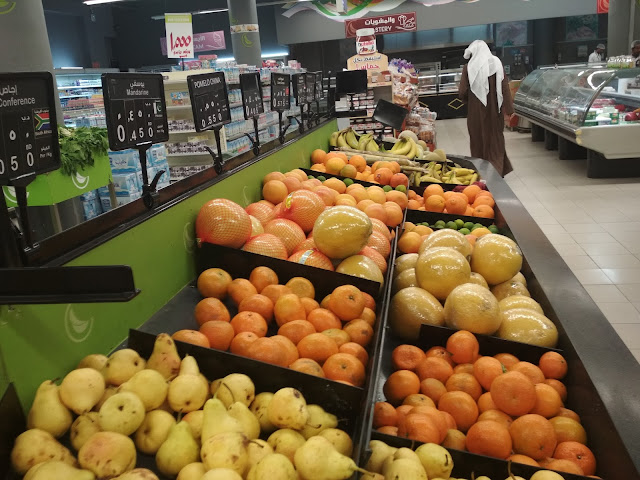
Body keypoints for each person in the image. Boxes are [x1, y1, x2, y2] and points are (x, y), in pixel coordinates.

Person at [459, 40, 514, 177]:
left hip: (475, 112)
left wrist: (469, 101)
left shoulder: (469, 67)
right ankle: (498, 169)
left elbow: (462, 92)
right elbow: (505, 88)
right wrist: (509, 110)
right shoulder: (496, 64)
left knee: (478, 139)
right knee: (495, 139)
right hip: (495, 110)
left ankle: (481, 170)